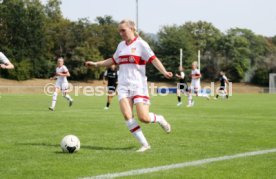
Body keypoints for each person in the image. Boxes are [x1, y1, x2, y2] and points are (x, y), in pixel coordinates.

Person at [85, 19, 173, 152]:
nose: (121, 33)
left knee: (144, 118)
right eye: (119, 31)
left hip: (138, 85)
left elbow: (154, 59)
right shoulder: (121, 45)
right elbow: (113, 60)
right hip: (123, 86)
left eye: (123, 30)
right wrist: (96, 64)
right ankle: (145, 145)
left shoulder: (141, 44)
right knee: (127, 115)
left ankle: (159, 119)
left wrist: (164, 71)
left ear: (132, 29)